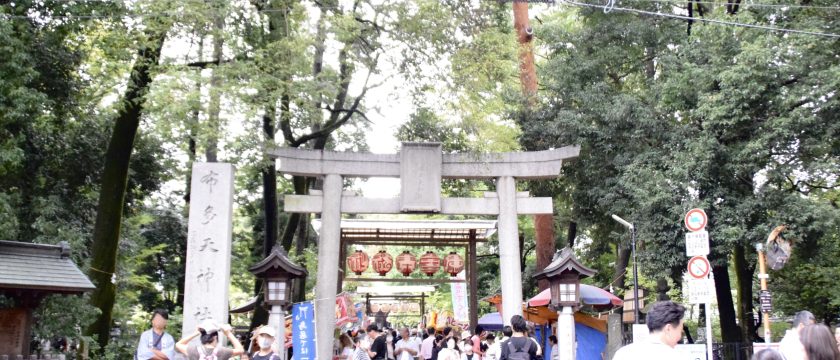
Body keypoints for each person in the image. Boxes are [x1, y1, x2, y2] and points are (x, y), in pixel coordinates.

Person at [612, 301, 686, 360]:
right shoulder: (675, 356)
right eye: (680, 331)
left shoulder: (623, 353)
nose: (680, 336)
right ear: (668, 329)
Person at [175, 319, 245, 360]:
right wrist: (228, 333)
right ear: (215, 337)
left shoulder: (193, 350)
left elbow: (178, 344)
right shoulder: (222, 351)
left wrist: (195, 333)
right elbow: (240, 350)